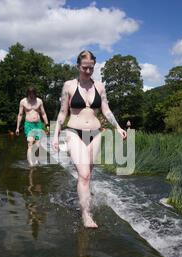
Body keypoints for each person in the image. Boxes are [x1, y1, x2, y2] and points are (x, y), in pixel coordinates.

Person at [52, 50, 127, 228]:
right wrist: (55, 135)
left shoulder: (100, 86)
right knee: (84, 175)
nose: (87, 71)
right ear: (78, 66)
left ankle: (84, 200)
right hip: (73, 132)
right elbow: (63, 112)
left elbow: (106, 110)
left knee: (87, 175)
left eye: (91, 68)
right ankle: (86, 214)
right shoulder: (69, 86)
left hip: (95, 133)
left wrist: (117, 126)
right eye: (85, 68)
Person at [16, 86, 49, 167]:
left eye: (33, 94)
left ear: (35, 93)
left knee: (38, 144)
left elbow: (43, 114)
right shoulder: (23, 102)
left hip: (38, 124)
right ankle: (31, 164)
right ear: (27, 93)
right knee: (30, 143)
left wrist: (47, 125)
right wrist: (17, 127)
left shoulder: (39, 101)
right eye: (30, 94)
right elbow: (20, 115)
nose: (32, 95)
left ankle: (35, 159)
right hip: (28, 125)